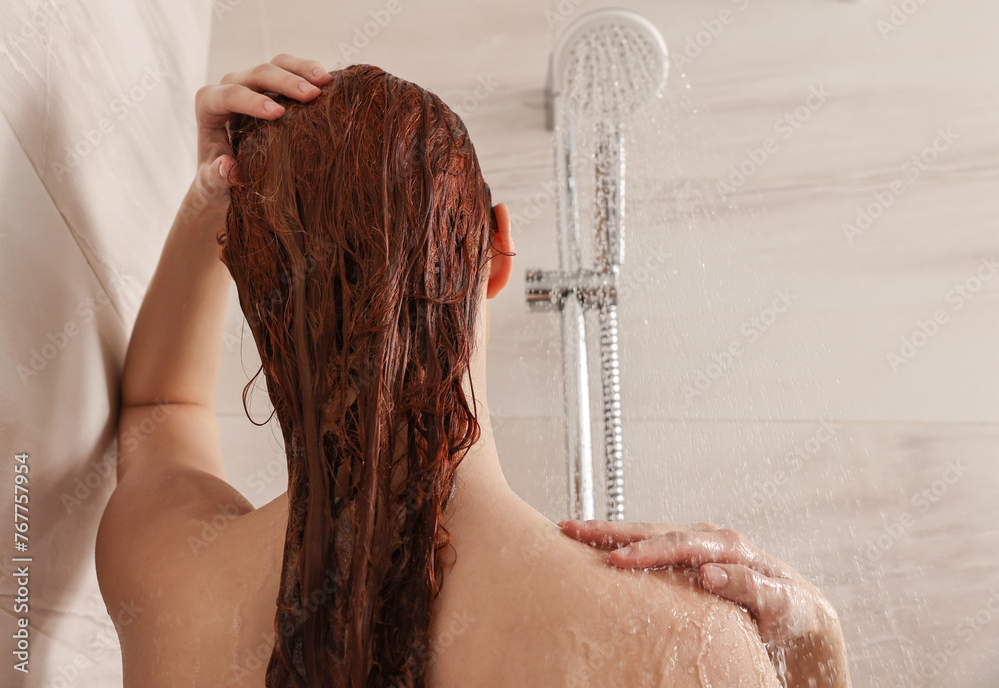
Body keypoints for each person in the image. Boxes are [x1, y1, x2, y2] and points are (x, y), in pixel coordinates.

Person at [95, 55, 849, 688]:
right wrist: (817, 639)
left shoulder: (170, 582)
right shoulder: (687, 649)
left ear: (254, 292)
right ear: (497, 251)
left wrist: (213, 198)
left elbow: (159, 408)